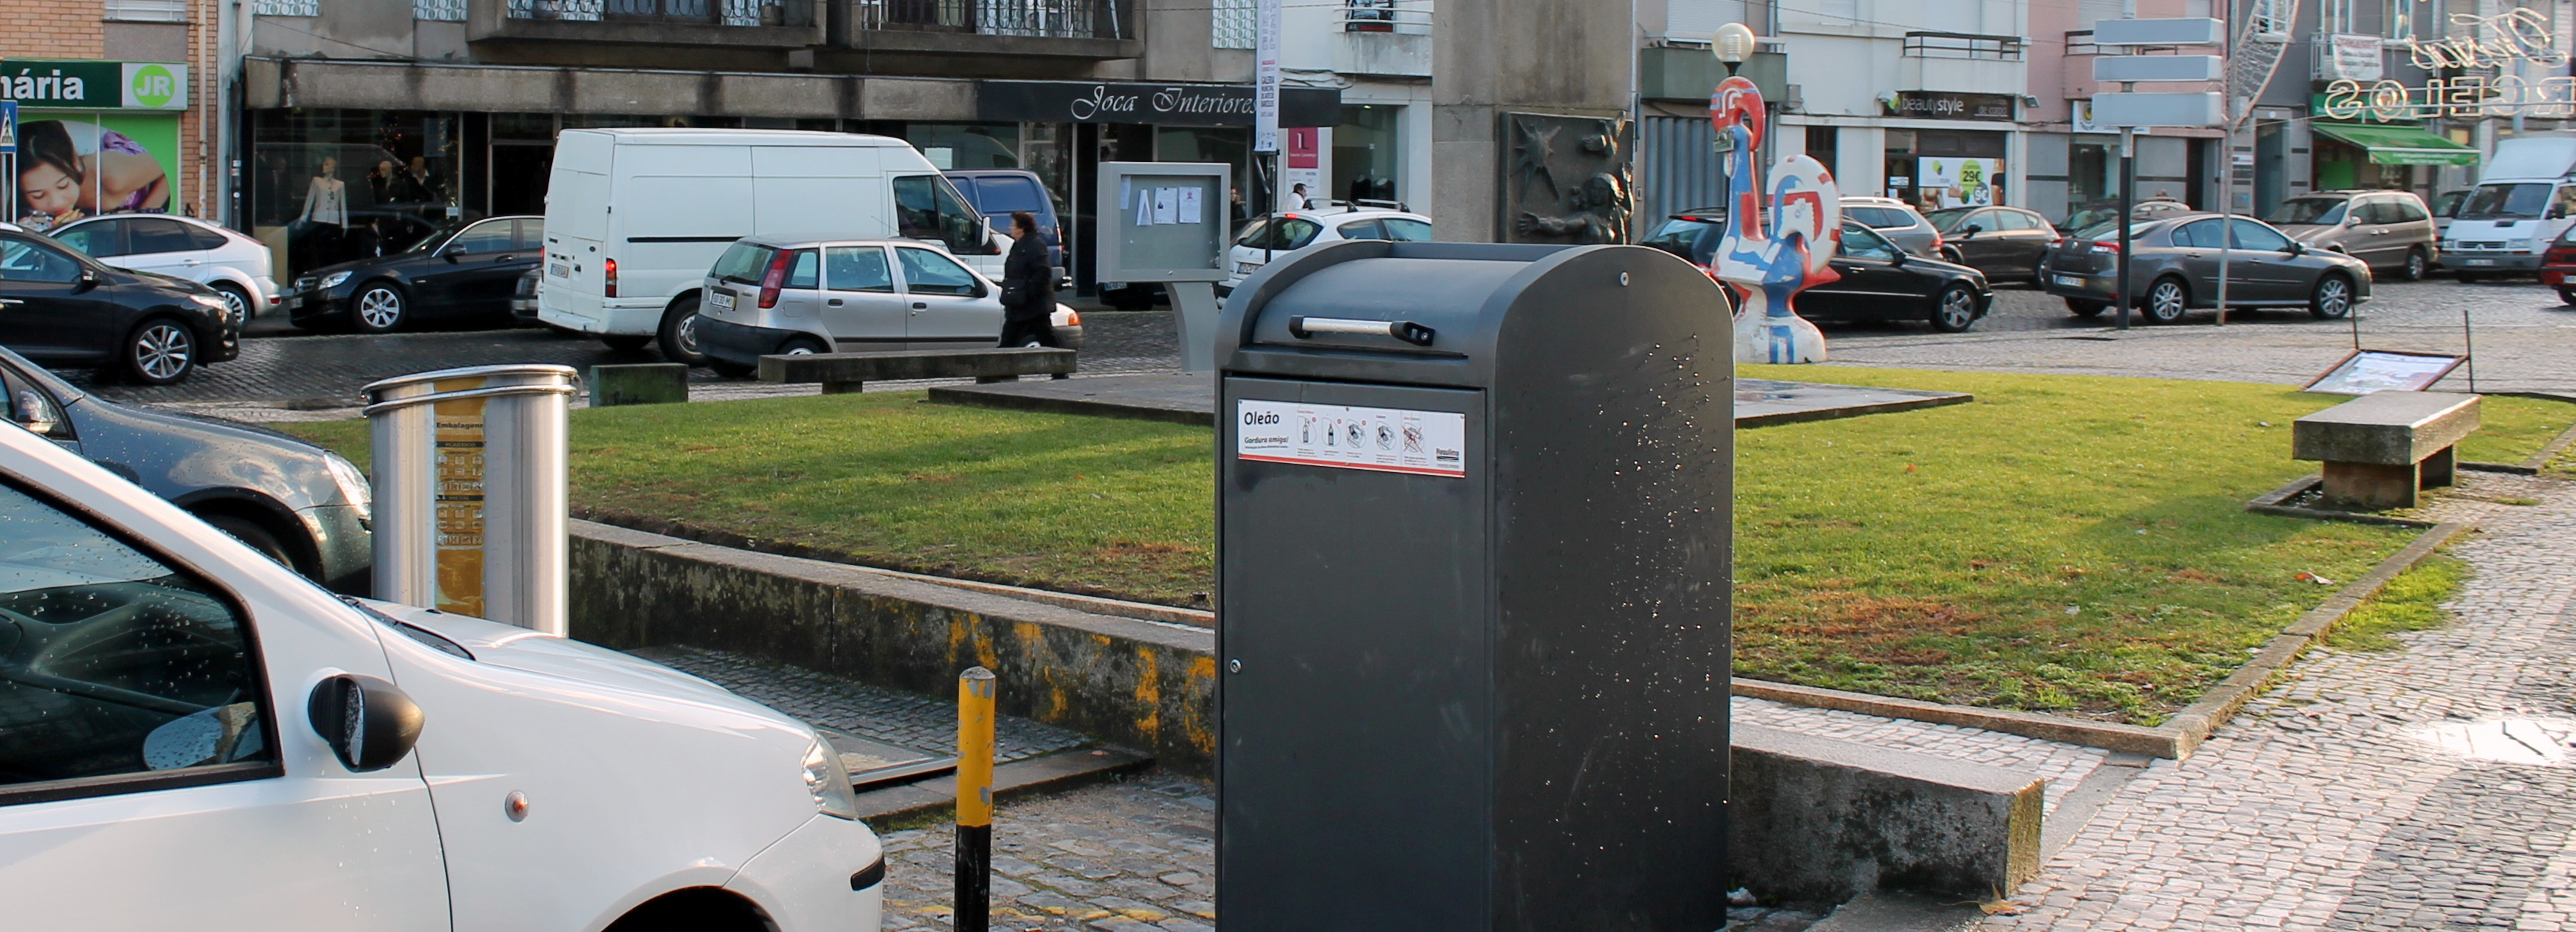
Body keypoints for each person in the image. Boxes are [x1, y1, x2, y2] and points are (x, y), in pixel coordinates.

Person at [13, 120, 170, 230]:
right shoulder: (22, 204)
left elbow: (169, 159)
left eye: (63, 186)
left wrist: (144, 213)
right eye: (38, 195)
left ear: (74, 162)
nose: (57, 203)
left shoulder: (112, 178)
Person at [996, 210, 1060, 353]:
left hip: (1033, 304)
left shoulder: (1035, 244)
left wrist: (1030, 292)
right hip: (1018, 302)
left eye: (1013, 225)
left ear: (1022, 228)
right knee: (1008, 339)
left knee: (1046, 337)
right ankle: (1003, 373)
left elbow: (1043, 271)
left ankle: (1060, 369)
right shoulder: (1019, 245)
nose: (1010, 228)